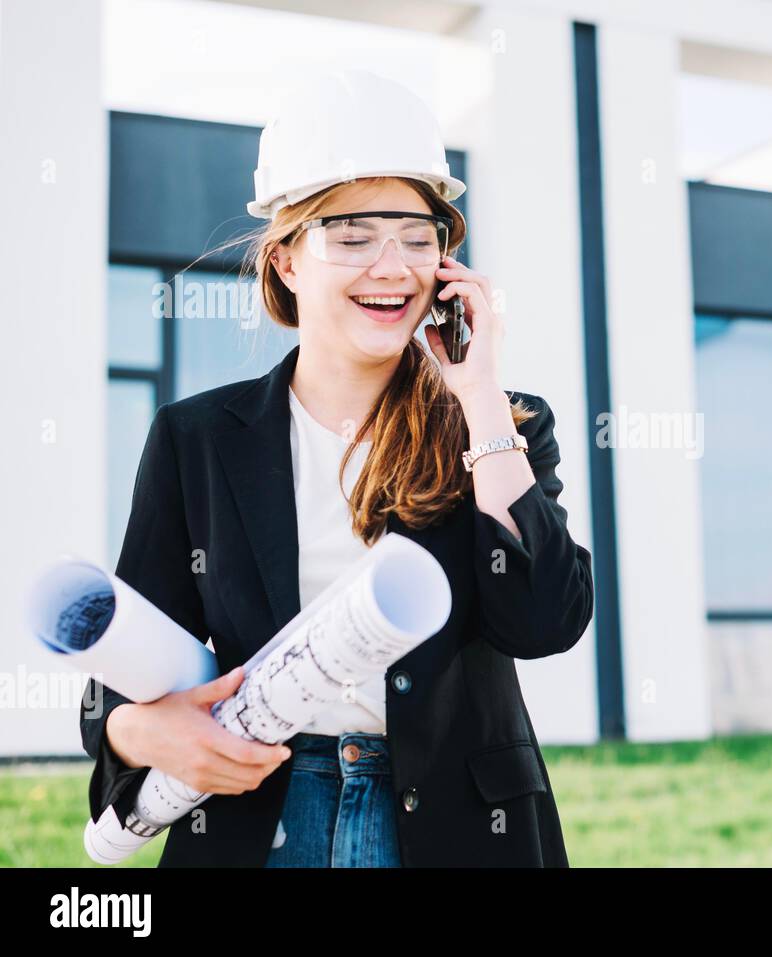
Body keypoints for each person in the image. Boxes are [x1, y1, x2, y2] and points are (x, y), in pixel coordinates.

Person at [78, 69, 594, 867]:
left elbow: (545, 619)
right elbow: (129, 658)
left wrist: (479, 395)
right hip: (267, 812)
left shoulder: (501, 419)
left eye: (419, 238)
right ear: (287, 261)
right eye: (354, 237)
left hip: (456, 823)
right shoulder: (198, 438)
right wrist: (135, 728)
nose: (393, 267)